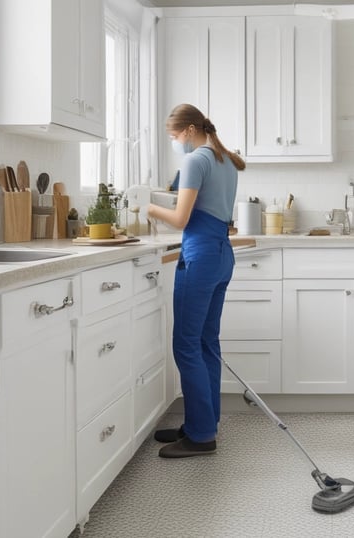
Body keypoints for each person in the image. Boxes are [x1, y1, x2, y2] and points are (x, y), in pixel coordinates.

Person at [147, 104, 245, 458]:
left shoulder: (195, 161)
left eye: (174, 136)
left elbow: (180, 218)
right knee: (206, 342)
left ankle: (201, 436)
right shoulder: (226, 160)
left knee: (186, 343)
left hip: (200, 255)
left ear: (188, 130)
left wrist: (147, 206)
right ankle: (202, 423)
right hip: (221, 255)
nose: (174, 141)